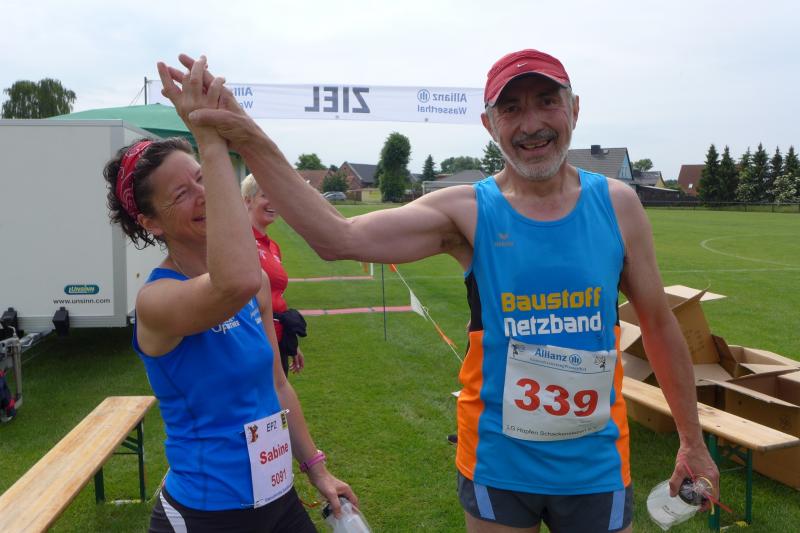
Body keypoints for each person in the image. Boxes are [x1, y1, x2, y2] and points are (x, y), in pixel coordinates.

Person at [165, 50, 720, 532]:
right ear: (488, 124)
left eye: (547, 102)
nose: (531, 124)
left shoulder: (618, 204)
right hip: (499, 462)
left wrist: (692, 441)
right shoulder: (468, 210)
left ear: (574, 109)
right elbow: (337, 238)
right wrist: (248, 136)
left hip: (596, 461)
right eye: (511, 108)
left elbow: (657, 322)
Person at [104, 55, 355, 532]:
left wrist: (317, 468)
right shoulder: (157, 301)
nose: (202, 194)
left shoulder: (252, 281)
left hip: (278, 497)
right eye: (181, 194)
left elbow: (276, 386)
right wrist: (211, 140)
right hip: (206, 513)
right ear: (151, 222)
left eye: (201, 177)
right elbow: (232, 282)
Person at [242, 174, 306, 376]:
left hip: (277, 340)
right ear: (248, 200)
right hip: (253, 343)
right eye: (265, 195)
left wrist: (291, 342)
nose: (273, 202)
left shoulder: (273, 247)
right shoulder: (239, 242)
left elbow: (276, 297)